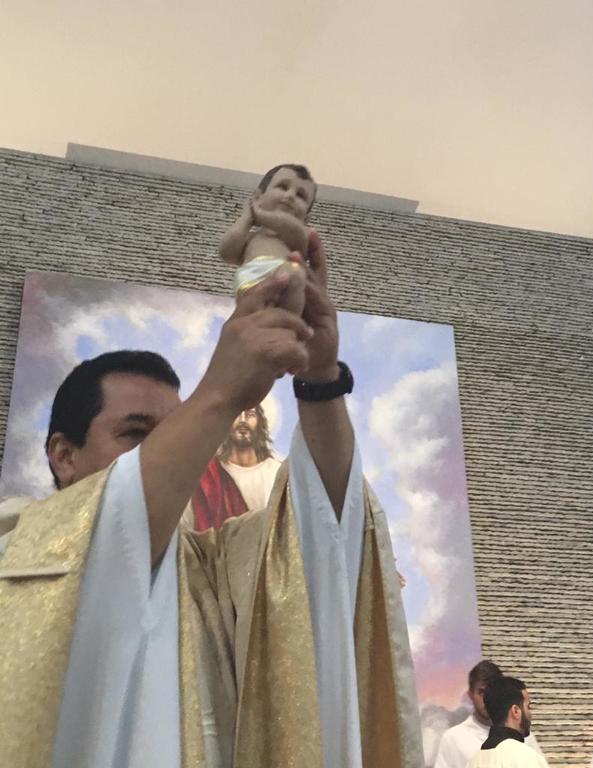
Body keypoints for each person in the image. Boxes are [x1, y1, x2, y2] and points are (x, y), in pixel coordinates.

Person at [0, 230, 422, 768]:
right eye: (137, 433)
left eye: (178, 431)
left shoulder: (208, 565)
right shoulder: (17, 547)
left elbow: (324, 530)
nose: (175, 451)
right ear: (64, 455)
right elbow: (107, 533)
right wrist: (221, 390)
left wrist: (319, 378)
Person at [220, 163, 316, 314]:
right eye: (282, 187)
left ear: (305, 219)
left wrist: (259, 214)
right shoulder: (251, 238)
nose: (290, 195)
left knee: (295, 273)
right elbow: (226, 253)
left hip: (286, 276)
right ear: (258, 197)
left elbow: (288, 225)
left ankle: (288, 319)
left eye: (300, 195)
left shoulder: (297, 237)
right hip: (251, 277)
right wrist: (246, 218)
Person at [187, 405, 282, 530]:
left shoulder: (276, 472)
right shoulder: (208, 475)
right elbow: (189, 529)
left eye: (250, 415)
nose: (242, 421)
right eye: (236, 414)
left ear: (260, 422)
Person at [435, 661, 545, 768]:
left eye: (493, 693)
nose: (487, 698)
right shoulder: (453, 739)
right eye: (482, 692)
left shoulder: (526, 739)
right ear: (470, 694)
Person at [467, 676, 549, 768]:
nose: (530, 713)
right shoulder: (527, 757)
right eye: (528, 707)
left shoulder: (474, 762)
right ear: (515, 711)